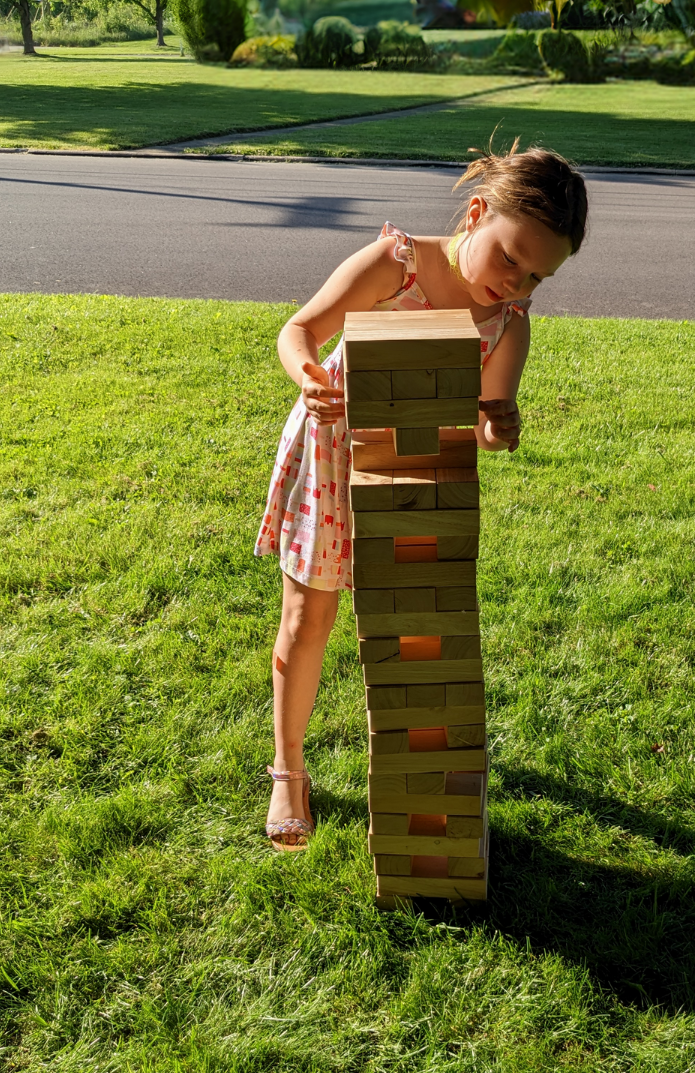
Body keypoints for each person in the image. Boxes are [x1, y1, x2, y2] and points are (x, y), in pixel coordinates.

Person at [254, 141, 589, 850]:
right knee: (308, 615)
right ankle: (288, 767)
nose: (516, 284)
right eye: (509, 258)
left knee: (415, 632)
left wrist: (501, 425)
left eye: (537, 277)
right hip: (334, 453)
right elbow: (299, 331)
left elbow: (486, 423)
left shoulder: (508, 325)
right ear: (476, 212)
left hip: (419, 480)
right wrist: (311, 375)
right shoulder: (396, 263)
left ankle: (416, 775)